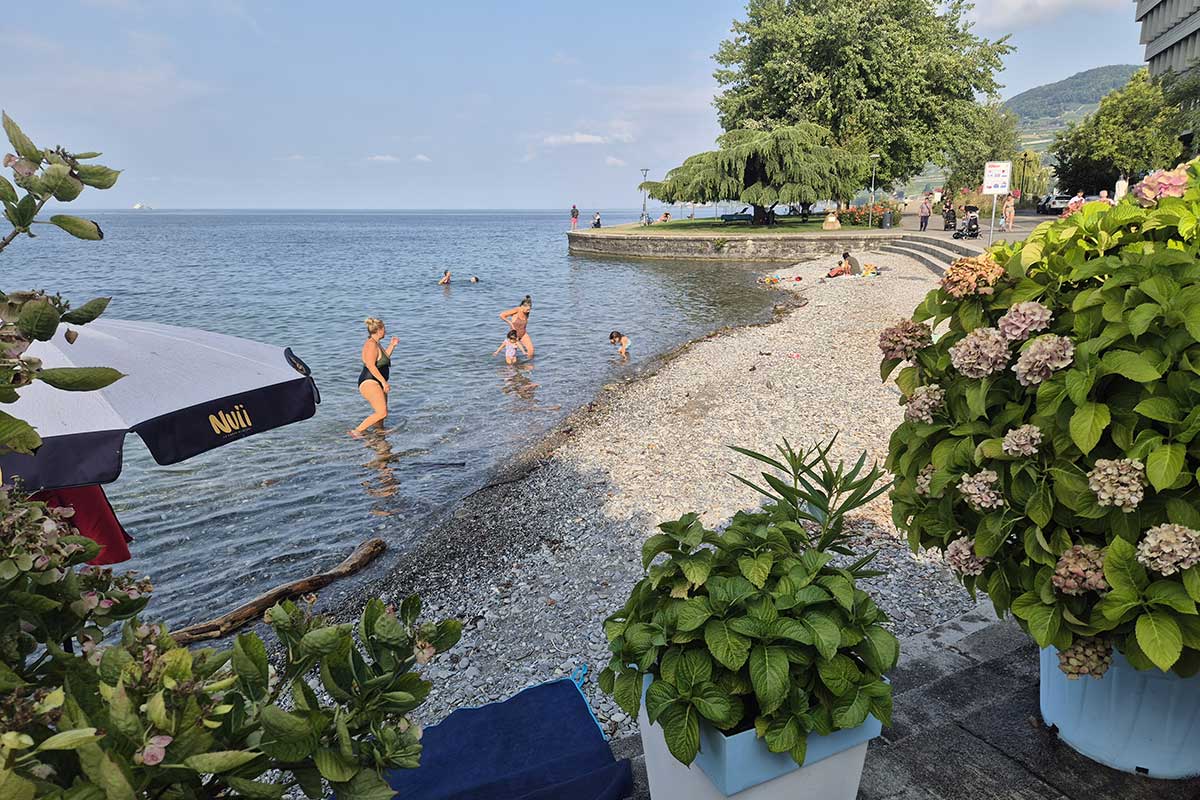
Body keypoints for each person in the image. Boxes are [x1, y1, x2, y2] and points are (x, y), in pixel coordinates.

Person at [350, 317, 399, 438]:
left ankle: (379, 430)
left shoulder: (376, 343)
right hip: (369, 382)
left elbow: (383, 359)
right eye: (384, 329)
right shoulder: (371, 345)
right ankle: (356, 431)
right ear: (379, 330)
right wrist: (384, 383)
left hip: (377, 381)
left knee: (382, 412)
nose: (386, 331)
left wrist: (392, 345)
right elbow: (371, 365)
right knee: (382, 412)